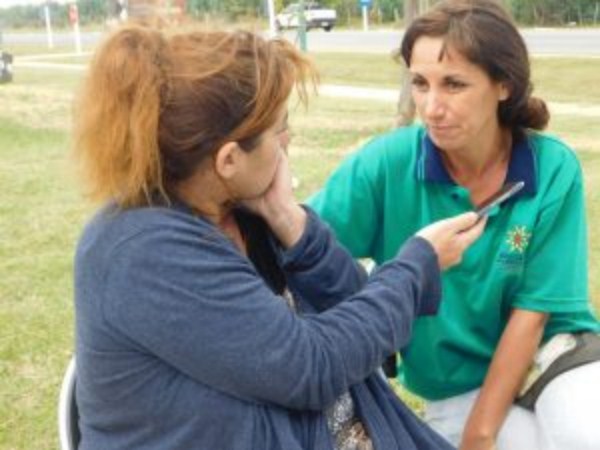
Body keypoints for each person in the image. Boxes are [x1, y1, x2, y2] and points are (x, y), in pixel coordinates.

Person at [72, 25, 485, 449]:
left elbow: (356, 309)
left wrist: (290, 221)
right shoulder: (144, 253)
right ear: (228, 160)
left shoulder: (241, 210)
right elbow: (312, 367)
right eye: (279, 128)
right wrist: (417, 265)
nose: (288, 140)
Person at [309, 1, 600, 449]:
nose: (431, 107)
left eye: (454, 84)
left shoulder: (552, 165)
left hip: (553, 356)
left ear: (504, 84)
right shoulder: (386, 164)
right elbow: (302, 246)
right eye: (420, 83)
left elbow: (534, 313)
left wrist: (479, 436)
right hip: (454, 380)